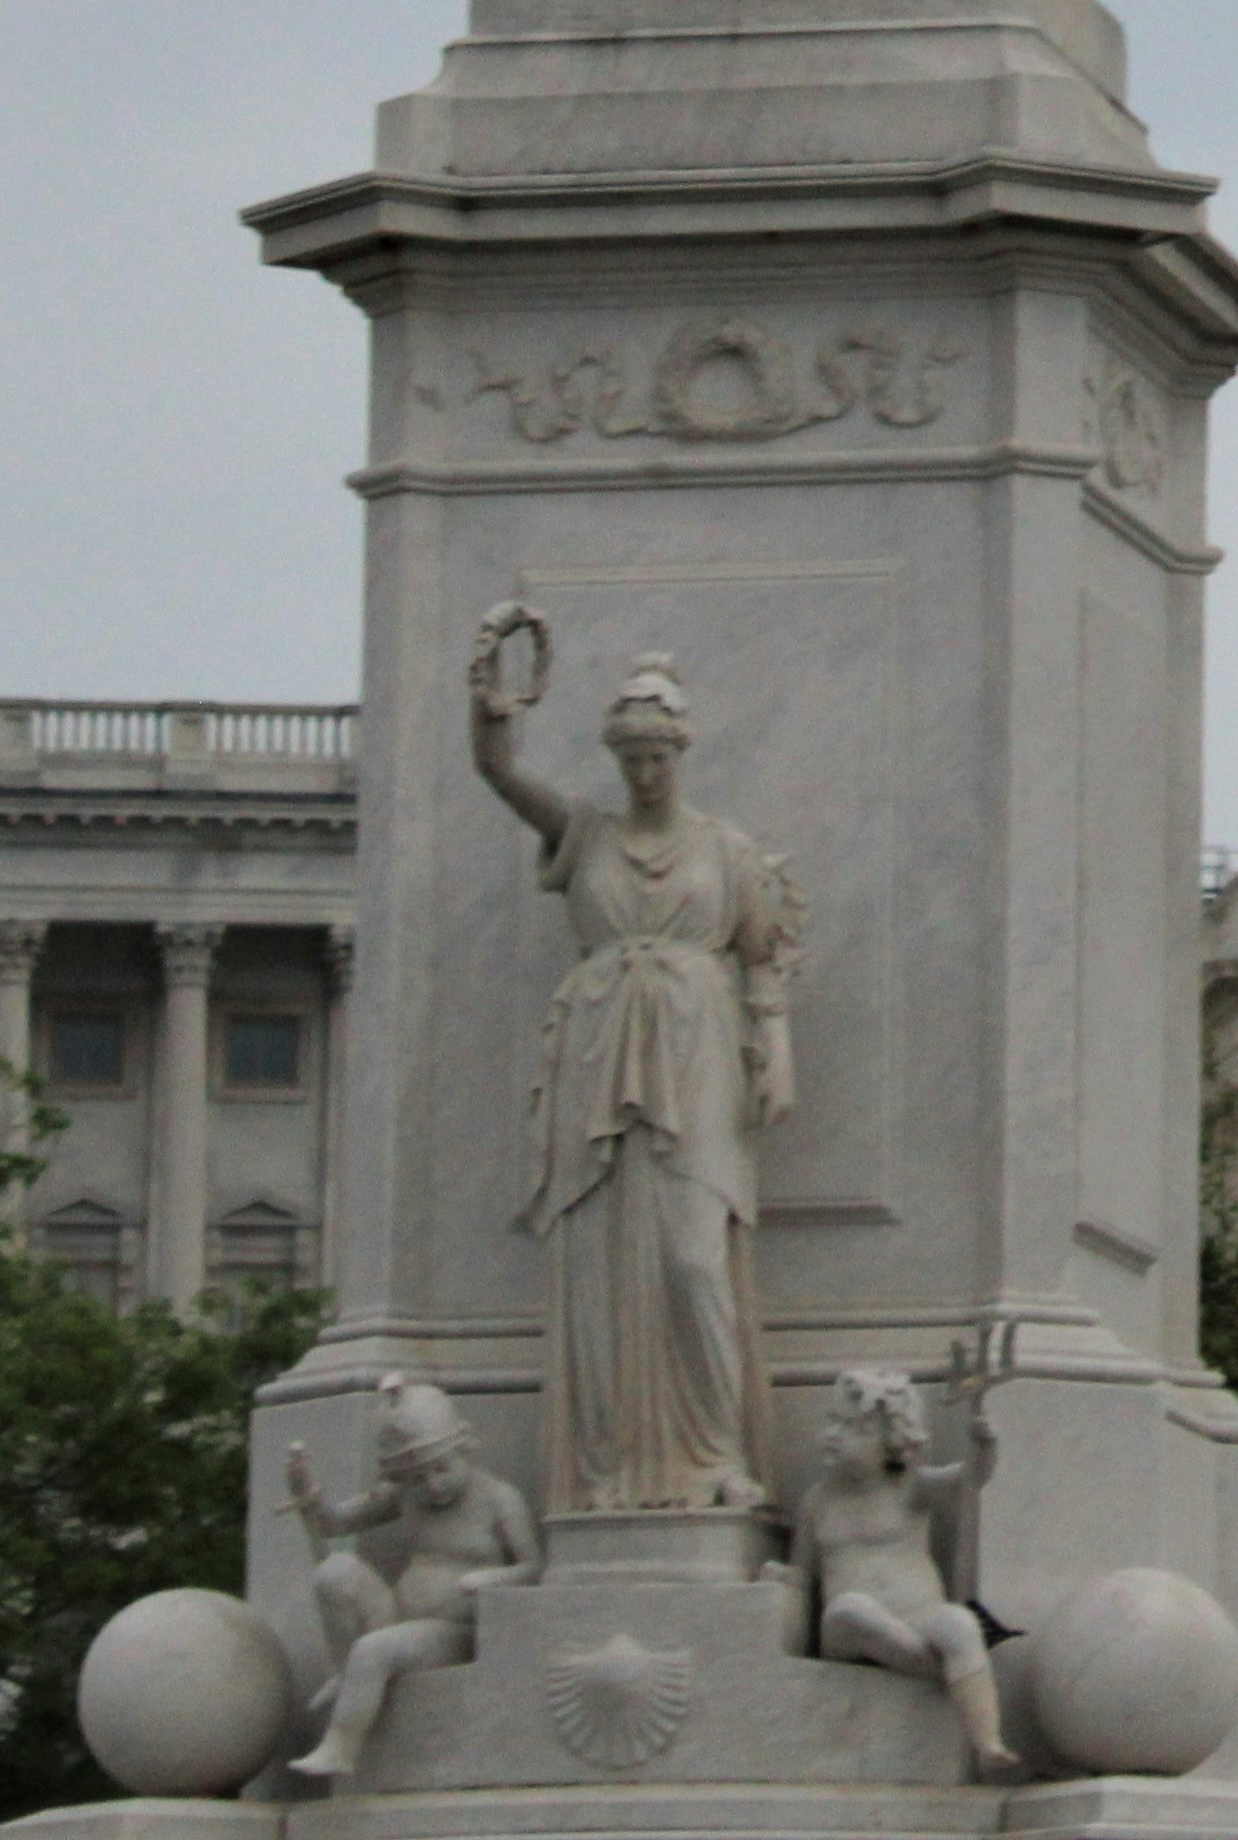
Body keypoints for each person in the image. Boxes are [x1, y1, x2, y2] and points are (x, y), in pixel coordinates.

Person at [471, 622, 805, 1508]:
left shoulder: (724, 850)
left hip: (698, 1045)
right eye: (632, 759)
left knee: (696, 1259)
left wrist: (777, 1049)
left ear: (679, 753)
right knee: (603, 1268)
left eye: (657, 757)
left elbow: (763, 955)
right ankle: (609, 1463)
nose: (645, 773)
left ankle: (718, 1455)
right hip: (598, 1043)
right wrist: (492, 715)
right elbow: (501, 776)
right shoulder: (585, 832)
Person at [283, 1374, 539, 1780]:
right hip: (397, 1613)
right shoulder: (406, 1497)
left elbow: (535, 1568)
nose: (432, 1486)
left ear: (465, 1448)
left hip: (452, 1630)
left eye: (441, 1469)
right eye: (418, 1477)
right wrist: (307, 1494)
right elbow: (333, 1524)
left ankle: (341, 1746)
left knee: (373, 1651)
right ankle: (344, 1672)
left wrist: (495, 1579)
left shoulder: (498, 1499)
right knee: (334, 1572)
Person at [794, 1364, 1017, 1774]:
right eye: (834, 1424)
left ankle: (987, 1742)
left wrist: (983, 1445)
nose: (835, 1437)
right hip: (848, 1635)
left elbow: (971, 1479)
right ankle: (936, 1668)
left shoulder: (910, 1488)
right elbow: (801, 1575)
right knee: (851, 1608)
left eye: (853, 1429)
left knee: (959, 1623)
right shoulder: (819, 1502)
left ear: (892, 1442)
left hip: (918, 1618)